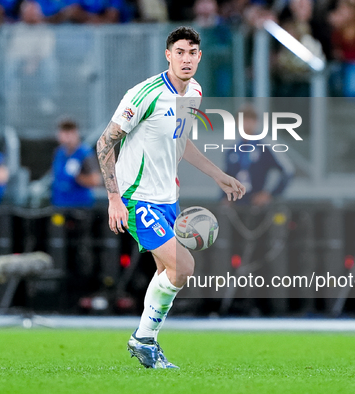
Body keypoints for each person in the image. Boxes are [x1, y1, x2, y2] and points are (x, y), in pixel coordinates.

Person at [96, 26, 245, 369]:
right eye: (179, 52)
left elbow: (181, 141)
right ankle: (143, 338)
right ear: (168, 55)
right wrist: (114, 197)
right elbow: (105, 142)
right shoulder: (144, 94)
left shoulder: (194, 91)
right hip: (137, 198)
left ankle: (147, 341)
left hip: (168, 198)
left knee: (168, 273)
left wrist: (218, 175)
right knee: (185, 267)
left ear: (199, 56)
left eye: (192, 52)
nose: (186, 58)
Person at [225, 104, 294, 206]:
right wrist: (225, 197)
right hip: (237, 206)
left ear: (256, 122)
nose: (245, 124)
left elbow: (288, 171)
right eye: (242, 120)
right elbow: (226, 175)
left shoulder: (265, 146)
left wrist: (270, 194)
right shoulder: (232, 150)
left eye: (249, 120)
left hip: (259, 206)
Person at [51, 118, 101, 208]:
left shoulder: (85, 153)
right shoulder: (59, 153)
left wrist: (77, 175)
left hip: (80, 207)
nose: (67, 135)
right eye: (64, 132)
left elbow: (96, 181)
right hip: (60, 204)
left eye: (70, 132)